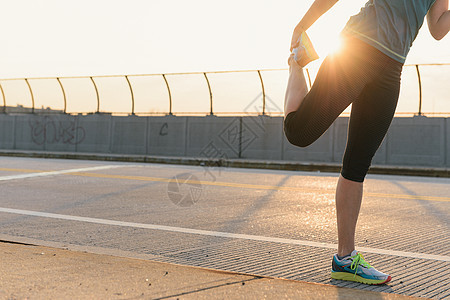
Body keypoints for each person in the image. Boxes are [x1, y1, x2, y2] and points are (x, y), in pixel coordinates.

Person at [284, 0, 449, 285]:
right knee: (299, 133)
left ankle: (345, 259)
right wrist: (303, 25)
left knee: (357, 164)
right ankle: (296, 66)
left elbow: (437, 28)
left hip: (392, 67)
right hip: (357, 47)